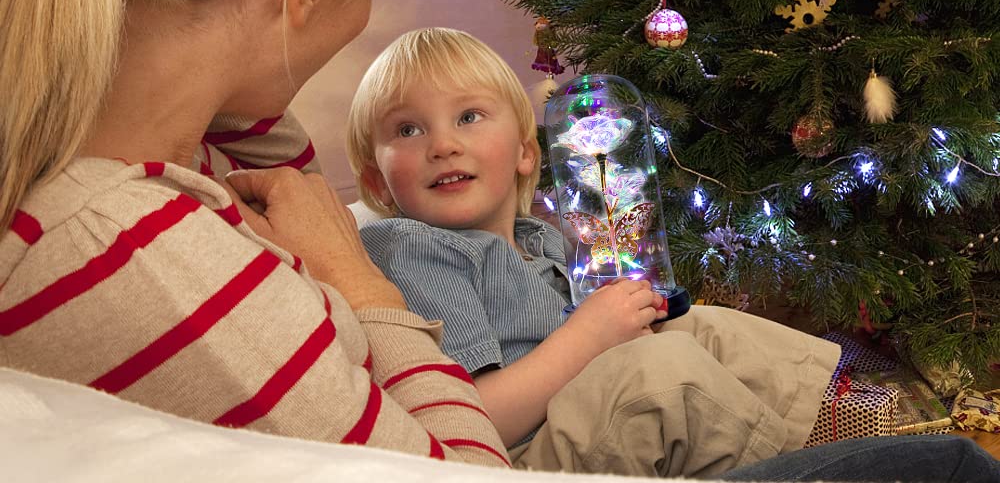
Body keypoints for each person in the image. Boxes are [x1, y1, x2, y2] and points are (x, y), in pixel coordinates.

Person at [0, 0, 510, 467]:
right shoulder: (137, 258)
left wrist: (232, 72)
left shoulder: (152, 131)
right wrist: (363, 285)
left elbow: (286, 179)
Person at [347, 27, 1000, 481]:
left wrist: (630, 315)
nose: (442, 144)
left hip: (572, 413)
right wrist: (592, 336)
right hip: (517, 457)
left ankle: (842, 424)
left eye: (468, 117)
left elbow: (598, 331)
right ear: (377, 182)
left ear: (524, 153)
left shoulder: (537, 238)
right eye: (408, 129)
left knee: (698, 328)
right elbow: (473, 417)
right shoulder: (408, 246)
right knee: (659, 376)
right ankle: (803, 470)